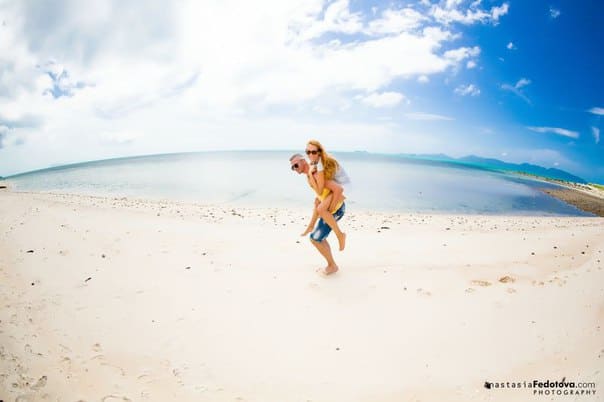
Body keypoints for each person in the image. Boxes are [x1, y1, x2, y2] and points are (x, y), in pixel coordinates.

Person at [290, 153, 346, 276]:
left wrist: (330, 207)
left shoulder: (315, 173)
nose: (294, 168)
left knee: (315, 239)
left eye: (296, 165)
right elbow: (321, 195)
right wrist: (311, 223)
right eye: (292, 167)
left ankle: (333, 265)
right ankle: (331, 264)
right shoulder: (309, 176)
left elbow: (338, 189)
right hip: (329, 209)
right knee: (318, 238)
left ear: (303, 161)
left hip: (336, 209)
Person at [302, 140, 349, 251]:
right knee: (317, 202)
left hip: (342, 191)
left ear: (319, 152)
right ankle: (311, 226)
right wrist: (310, 174)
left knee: (321, 208)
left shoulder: (320, 166)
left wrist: (331, 208)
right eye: (308, 152)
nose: (310, 155)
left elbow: (322, 190)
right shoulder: (315, 164)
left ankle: (340, 235)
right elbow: (319, 191)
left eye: (313, 152)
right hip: (335, 190)